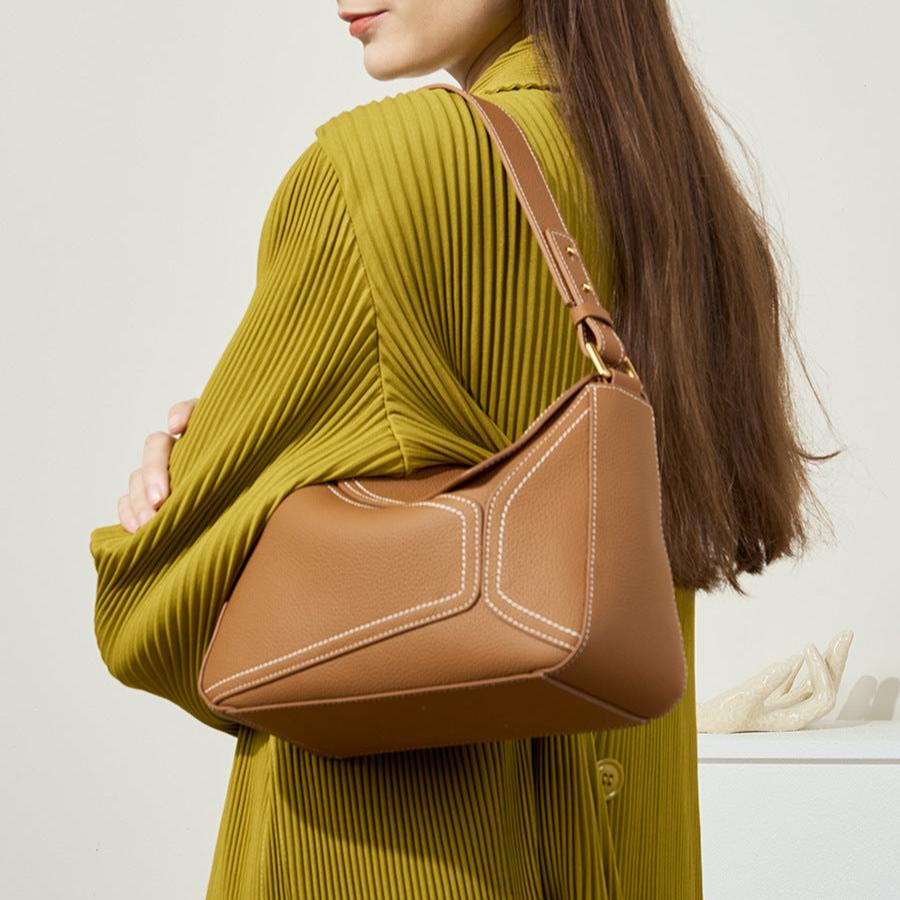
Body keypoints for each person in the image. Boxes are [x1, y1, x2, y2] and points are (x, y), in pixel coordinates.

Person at [90, 1, 834, 897]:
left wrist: (184, 486)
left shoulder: (382, 176)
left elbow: (153, 616)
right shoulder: (695, 211)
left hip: (396, 862)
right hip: (636, 855)